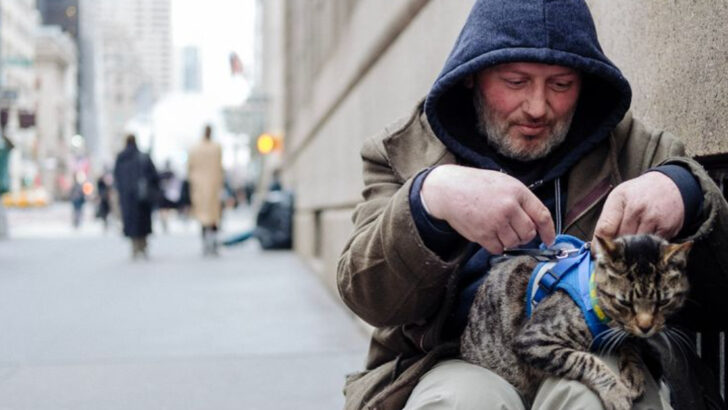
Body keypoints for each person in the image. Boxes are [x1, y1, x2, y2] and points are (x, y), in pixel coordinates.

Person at [337, 1, 728, 409]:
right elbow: (367, 296)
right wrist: (428, 201)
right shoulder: (401, 151)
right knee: (462, 402)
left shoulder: (636, 150)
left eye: (561, 84)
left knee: (595, 399)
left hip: (600, 349)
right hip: (450, 362)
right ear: (472, 76)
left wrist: (686, 191)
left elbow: (717, 298)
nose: (538, 107)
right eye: (516, 81)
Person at [113, 134, 159, 259]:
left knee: (131, 221)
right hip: (142, 197)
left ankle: (134, 246)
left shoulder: (121, 158)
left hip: (127, 197)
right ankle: (142, 245)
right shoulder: (143, 157)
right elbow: (154, 176)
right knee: (142, 221)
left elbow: (116, 178)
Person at [188, 124, 224, 256]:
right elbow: (220, 167)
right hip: (213, 186)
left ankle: (205, 243)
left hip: (199, 187)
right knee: (213, 217)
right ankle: (213, 243)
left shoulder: (195, 148)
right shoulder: (216, 148)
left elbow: (190, 167)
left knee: (203, 216)